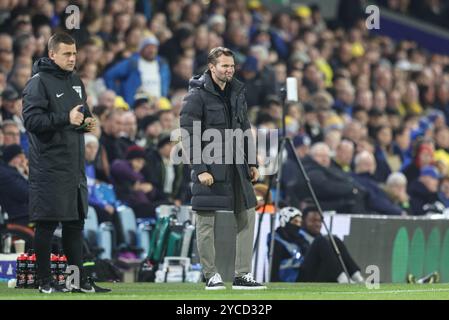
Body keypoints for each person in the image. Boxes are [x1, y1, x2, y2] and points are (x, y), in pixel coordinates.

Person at [22, 33, 110, 294]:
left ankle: (77, 281)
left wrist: (88, 122)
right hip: (49, 166)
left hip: (74, 165)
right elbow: (32, 122)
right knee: (47, 224)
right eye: (67, 54)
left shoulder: (75, 80)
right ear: (52, 55)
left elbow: (80, 117)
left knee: (75, 224)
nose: (73, 58)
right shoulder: (37, 83)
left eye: (74, 53)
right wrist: (65, 118)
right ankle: (44, 281)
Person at [180, 47, 265, 290]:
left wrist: (252, 162)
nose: (229, 69)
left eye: (231, 65)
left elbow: (245, 128)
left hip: (237, 165)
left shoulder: (237, 92)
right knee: (206, 221)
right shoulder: (196, 95)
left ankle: (242, 275)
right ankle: (210, 275)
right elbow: (188, 135)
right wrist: (200, 169)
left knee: (248, 215)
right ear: (211, 67)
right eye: (224, 66)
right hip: (209, 165)